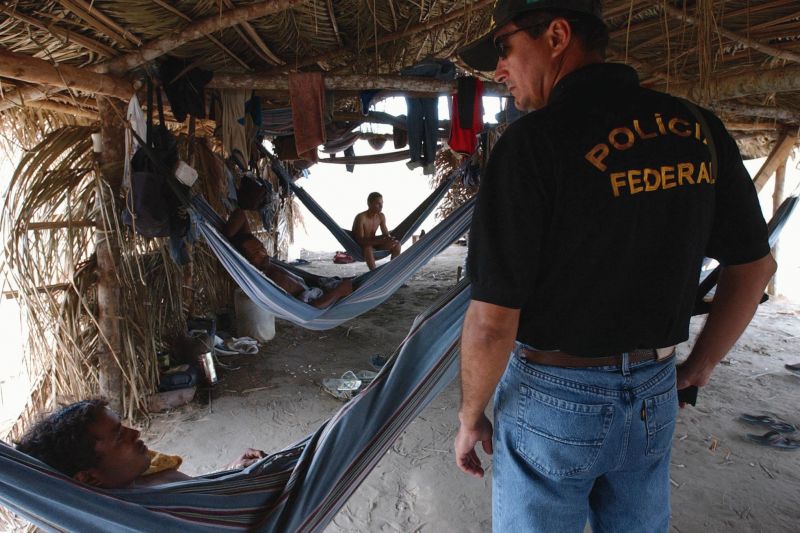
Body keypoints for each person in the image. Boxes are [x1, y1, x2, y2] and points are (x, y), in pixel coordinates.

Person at [454, 1, 777, 531]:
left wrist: (470, 419)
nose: (499, 71)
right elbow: (755, 267)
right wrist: (697, 369)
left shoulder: (532, 144)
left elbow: (492, 320)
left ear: (556, 36)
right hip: (654, 391)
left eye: (504, 48)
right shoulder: (698, 129)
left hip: (555, 396)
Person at [15, 399, 266, 488]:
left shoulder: (139, 475)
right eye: (118, 436)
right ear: (89, 478)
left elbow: (197, 503)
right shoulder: (133, 517)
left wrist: (227, 473)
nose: (135, 433)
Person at [225, 178, 353, 308]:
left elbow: (240, 214)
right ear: (246, 261)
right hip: (323, 300)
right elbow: (312, 308)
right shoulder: (271, 280)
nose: (264, 252)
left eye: (261, 247)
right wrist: (339, 291)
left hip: (316, 288)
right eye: (256, 253)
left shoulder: (268, 265)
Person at [352, 192, 401, 270]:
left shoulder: (381, 216)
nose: (381, 206)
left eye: (382, 203)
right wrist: (380, 241)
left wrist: (389, 238)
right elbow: (360, 241)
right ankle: (374, 274)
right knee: (368, 248)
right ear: (369, 203)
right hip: (362, 247)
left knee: (397, 244)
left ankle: (393, 269)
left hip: (375, 244)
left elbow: (386, 234)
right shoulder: (361, 218)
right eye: (378, 204)